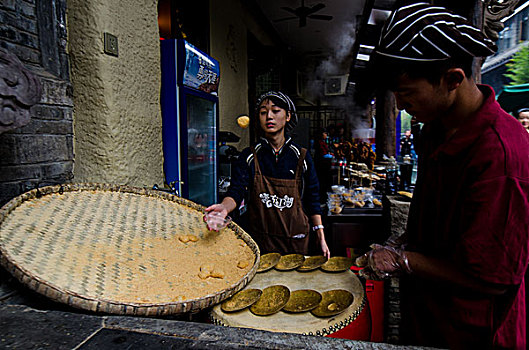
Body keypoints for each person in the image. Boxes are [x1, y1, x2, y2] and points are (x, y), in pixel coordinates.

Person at [357, 3, 529, 349]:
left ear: (452, 79)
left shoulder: (500, 156)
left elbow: (492, 277)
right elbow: (446, 219)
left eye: (407, 93)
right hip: (426, 320)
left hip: (471, 332)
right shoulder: (435, 130)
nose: (402, 106)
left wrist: (404, 261)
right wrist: (405, 240)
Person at [206, 91, 330, 258]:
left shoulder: (301, 156)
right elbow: (236, 191)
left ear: (288, 116)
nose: (269, 116)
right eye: (263, 112)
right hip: (260, 242)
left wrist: (321, 236)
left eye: (275, 111)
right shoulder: (249, 156)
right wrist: (224, 208)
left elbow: (312, 199)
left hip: (296, 241)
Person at [314, 128, 333, 203]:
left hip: (322, 165)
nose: (326, 135)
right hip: (322, 165)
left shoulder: (323, 142)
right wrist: (329, 155)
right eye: (325, 133)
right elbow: (323, 154)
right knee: (323, 183)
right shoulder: (319, 143)